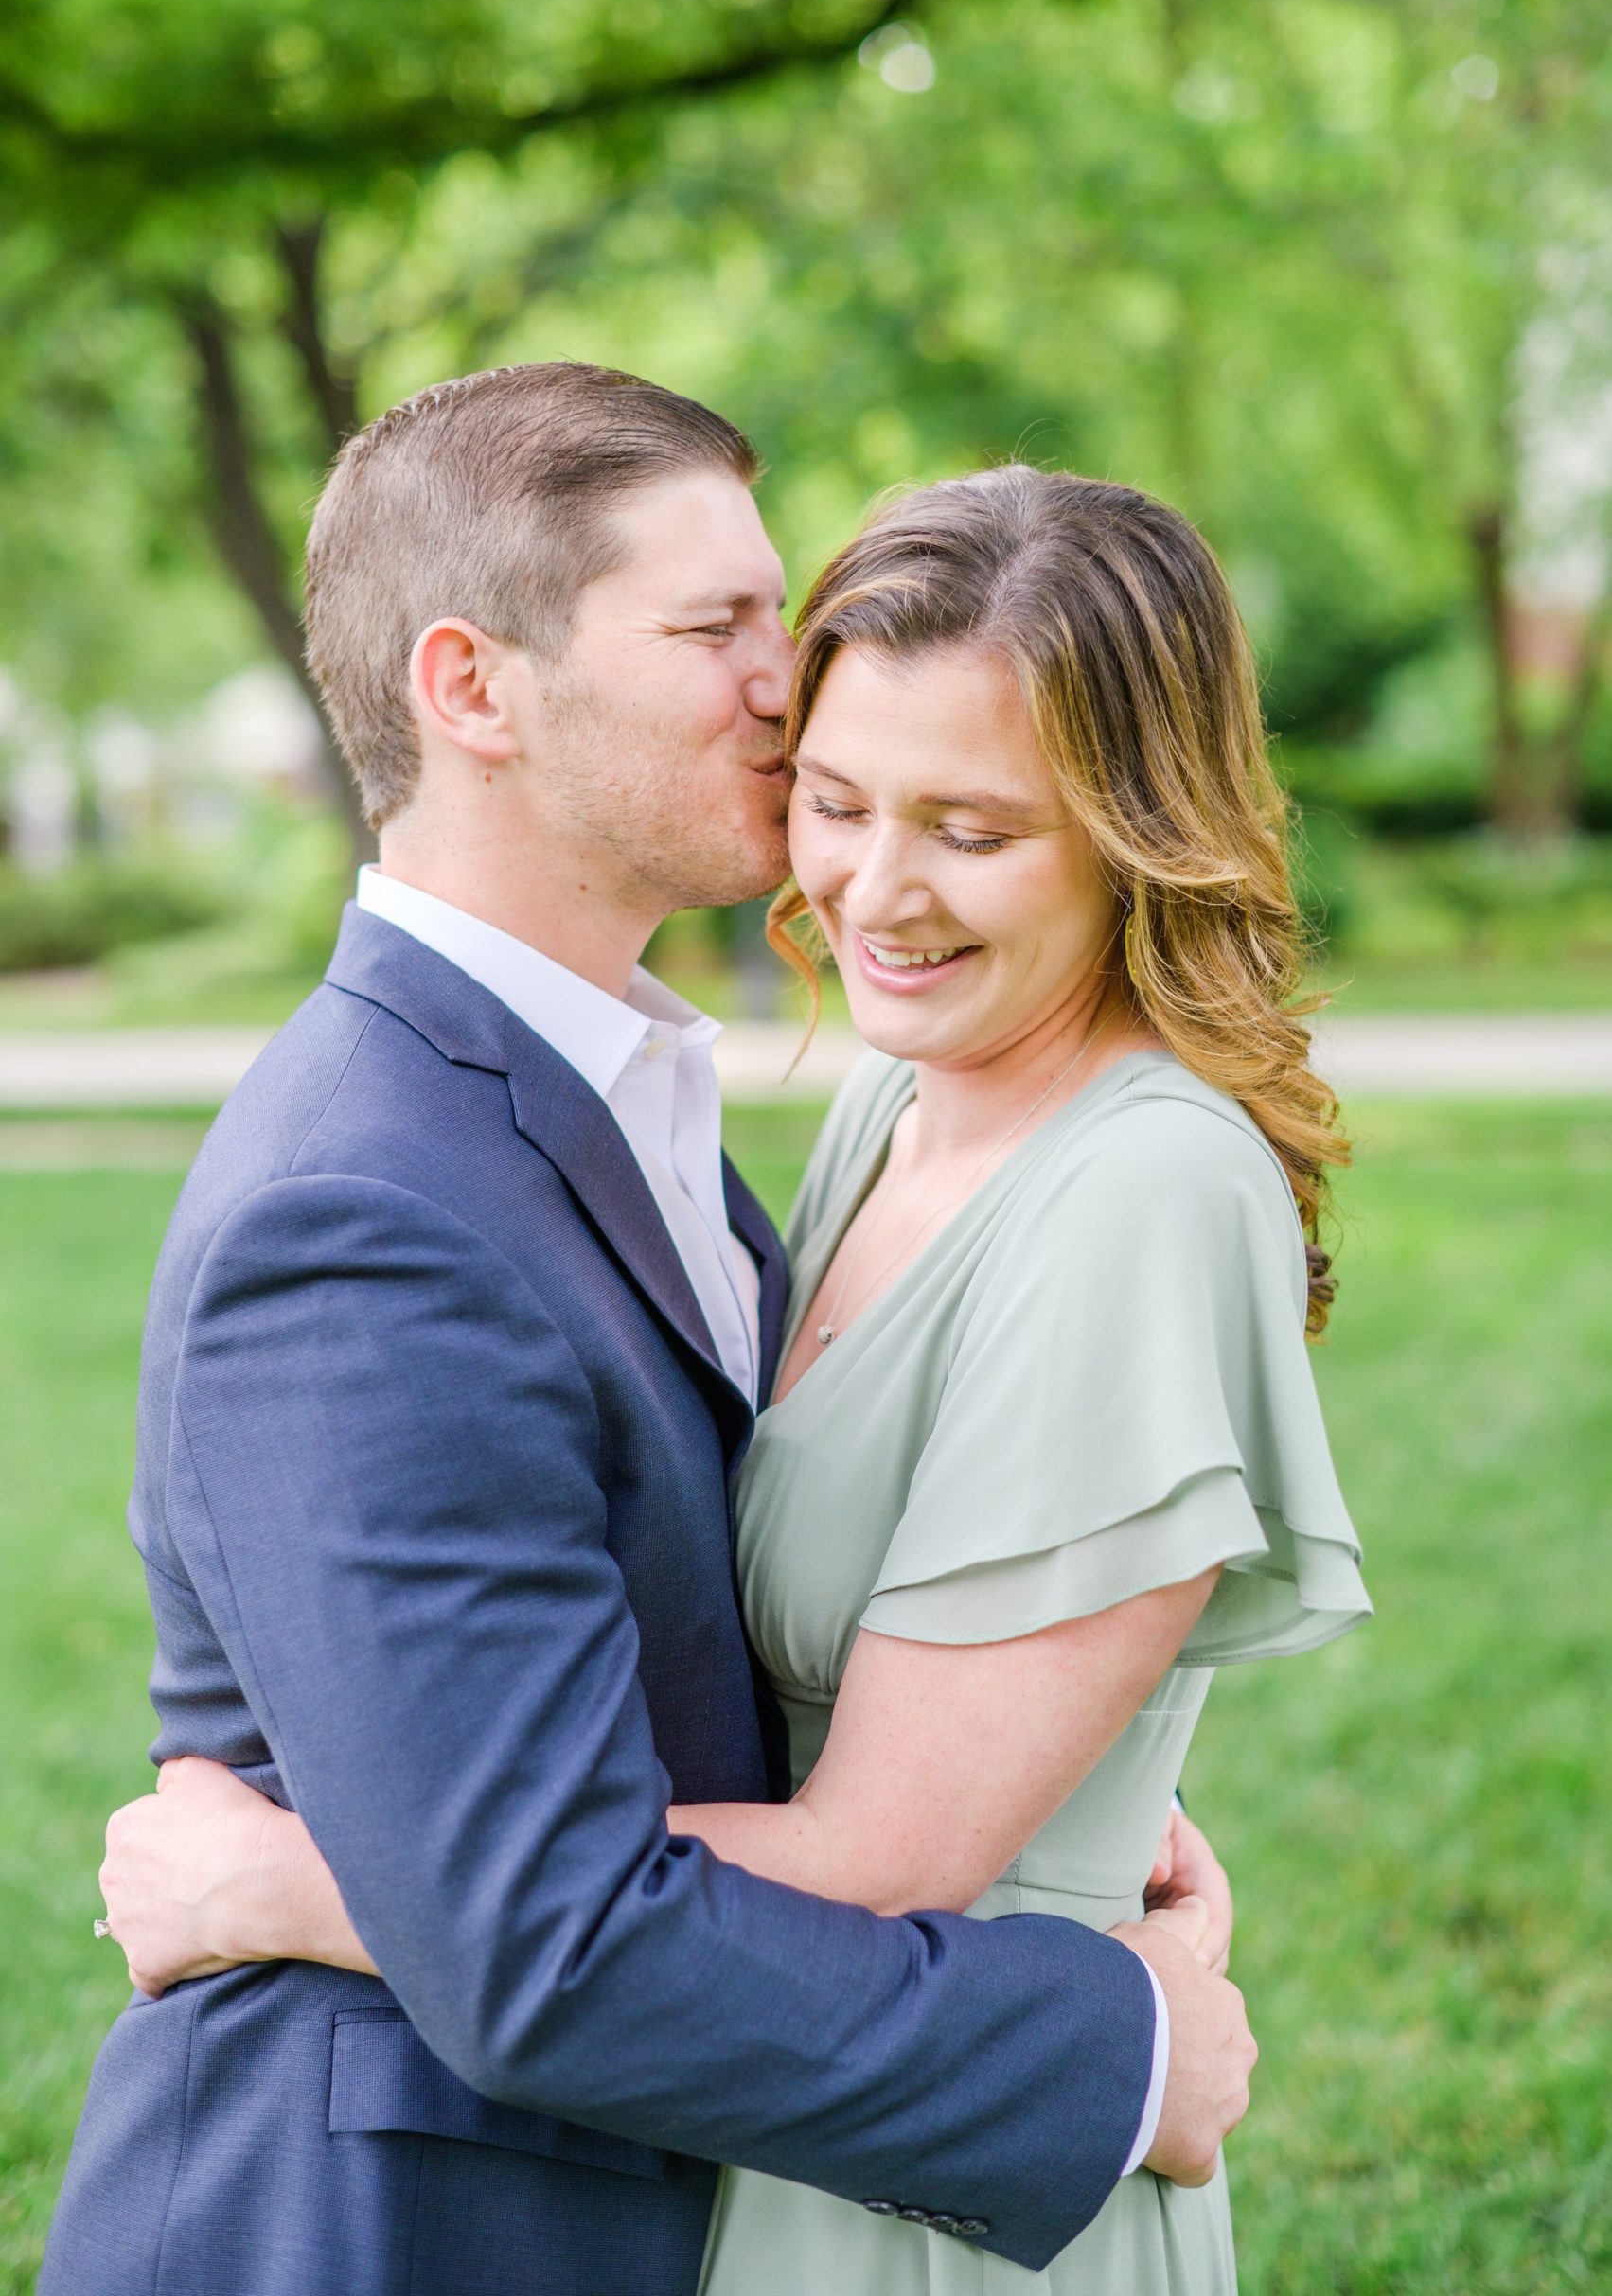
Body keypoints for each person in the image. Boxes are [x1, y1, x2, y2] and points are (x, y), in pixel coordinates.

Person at [47, 367, 1256, 2296]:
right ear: (474, 688)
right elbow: (541, 1939)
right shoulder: (362, 1207)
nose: (790, 676)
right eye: (712, 627)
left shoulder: (634, 1100)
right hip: (410, 2225)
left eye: (774, 612)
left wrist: (1061, 1769)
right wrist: (1113, 2051)